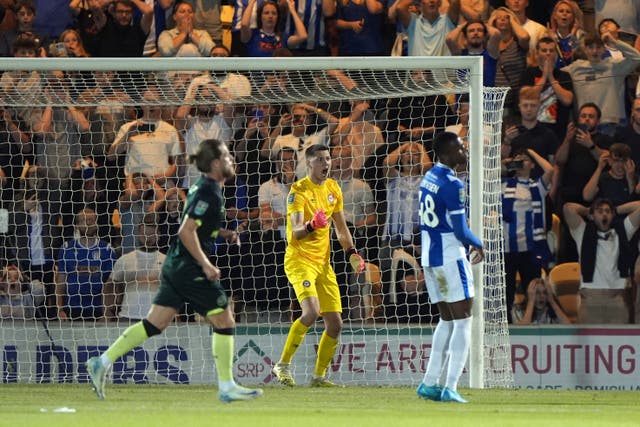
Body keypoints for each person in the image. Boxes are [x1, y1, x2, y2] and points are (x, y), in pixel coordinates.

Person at [86, 138, 264, 403]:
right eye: (227, 157)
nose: (232, 161)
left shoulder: (208, 188)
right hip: (189, 268)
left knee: (154, 324)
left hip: (176, 265)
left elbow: (197, 226)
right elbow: (186, 231)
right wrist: (205, 264)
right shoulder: (207, 191)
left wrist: (222, 233)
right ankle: (226, 386)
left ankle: (102, 361)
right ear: (216, 163)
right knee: (225, 318)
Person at [271, 144, 365, 387]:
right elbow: (296, 233)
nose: (326, 164)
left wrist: (352, 252)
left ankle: (318, 377)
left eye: (328, 159)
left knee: (335, 323)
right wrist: (312, 225)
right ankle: (282, 364)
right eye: (321, 160)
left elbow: (341, 228)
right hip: (299, 260)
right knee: (311, 312)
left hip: (323, 264)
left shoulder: (333, 188)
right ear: (309, 164)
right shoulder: (298, 191)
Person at [415, 131, 484, 403]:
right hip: (449, 257)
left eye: (464, 148)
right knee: (465, 320)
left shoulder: (428, 177)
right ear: (445, 155)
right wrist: (479, 244)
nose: (464, 153)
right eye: (459, 150)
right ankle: (451, 387)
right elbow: (460, 230)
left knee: (447, 319)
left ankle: (429, 382)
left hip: (430, 259)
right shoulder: (453, 185)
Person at [563, 199, 640, 324]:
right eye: (600, 211)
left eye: (607, 212)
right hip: (590, 301)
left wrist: (616, 210)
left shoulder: (622, 231)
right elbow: (568, 208)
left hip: (617, 300)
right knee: (590, 343)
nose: (604, 214)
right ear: (593, 216)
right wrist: (588, 211)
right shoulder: (582, 231)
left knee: (618, 342)